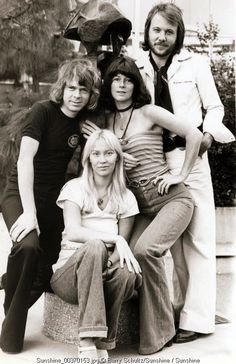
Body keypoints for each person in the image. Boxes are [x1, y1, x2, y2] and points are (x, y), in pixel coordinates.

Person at [81, 56, 202, 355]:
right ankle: (133, 327)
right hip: (138, 207)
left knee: (145, 250)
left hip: (171, 199)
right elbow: (102, 152)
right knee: (128, 263)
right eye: (116, 79)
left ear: (136, 85)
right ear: (108, 84)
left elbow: (194, 134)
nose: (121, 84)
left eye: (128, 79)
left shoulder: (149, 112)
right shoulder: (106, 120)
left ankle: (160, 333)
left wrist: (181, 174)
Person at [135, 2, 235, 343]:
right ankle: (179, 309)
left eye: (169, 31)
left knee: (200, 239)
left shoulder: (195, 63)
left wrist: (207, 135)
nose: (162, 37)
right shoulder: (136, 67)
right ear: (147, 32)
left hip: (190, 155)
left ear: (177, 36)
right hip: (154, 162)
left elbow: (215, 107)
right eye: (156, 30)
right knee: (170, 243)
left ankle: (198, 318)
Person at [0, 58, 101, 354]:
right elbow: (24, 160)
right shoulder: (42, 111)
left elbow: (88, 167)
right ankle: (11, 330)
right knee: (28, 247)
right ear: (62, 88)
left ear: (90, 95)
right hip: (19, 193)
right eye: (71, 88)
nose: (76, 95)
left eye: (83, 90)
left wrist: (94, 139)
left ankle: (10, 286)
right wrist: (29, 212)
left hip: (52, 201)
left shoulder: (80, 127)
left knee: (46, 270)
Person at [50, 129, 141, 360]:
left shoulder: (126, 197)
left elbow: (122, 251)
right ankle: (86, 338)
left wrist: (108, 262)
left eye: (109, 153)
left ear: (118, 157)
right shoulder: (75, 188)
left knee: (127, 274)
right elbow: (73, 231)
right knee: (94, 246)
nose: (102, 160)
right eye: (96, 154)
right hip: (69, 276)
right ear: (88, 158)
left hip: (103, 273)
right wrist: (114, 238)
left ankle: (102, 341)